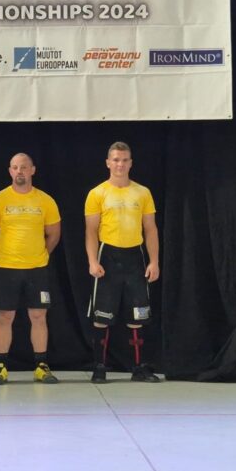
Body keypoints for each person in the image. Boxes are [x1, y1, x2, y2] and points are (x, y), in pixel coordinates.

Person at [85, 141, 160, 383]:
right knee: (101, 317)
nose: (120, 164)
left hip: (135, 258)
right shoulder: (97, 193)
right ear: (108, 162)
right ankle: (99, 367)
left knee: (137, 318)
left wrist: (154, 261)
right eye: (116, 159)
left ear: (131, 163)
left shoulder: (143, 192)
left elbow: (150, 229)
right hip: (108, 256)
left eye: (124, 160)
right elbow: (90, 231)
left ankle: (139, 368)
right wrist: (91, 262)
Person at [0, 153, 61, 384]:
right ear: (10, 171)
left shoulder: (45, 201)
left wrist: (41, 254)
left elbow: (54, 233)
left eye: (24, 167)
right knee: (5, 316)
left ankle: (41, 366)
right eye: (15, 167)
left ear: (32, 170)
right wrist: (2, 255)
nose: (20, 171)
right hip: (7, 268)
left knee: (38, 316)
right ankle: (0, 367)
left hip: (37, 268)